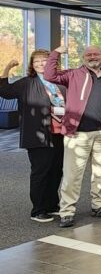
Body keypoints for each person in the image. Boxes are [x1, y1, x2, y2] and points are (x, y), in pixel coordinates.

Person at [45, 45, 101, 228]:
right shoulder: (73, 75)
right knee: (72, 176)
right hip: (77, 135)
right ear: (83, 58)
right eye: (88, 54)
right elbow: (49, 75)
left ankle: (99, 205)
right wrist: (56, 53)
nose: (92, 57)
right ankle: (67, 211)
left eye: (96, 54)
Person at [0, 52, 65, 222]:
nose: (41, 64)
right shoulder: (27, 83)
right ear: (32, 64)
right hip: (37, 135)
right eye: (37, 61)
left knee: (56, 170)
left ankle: (52, 205)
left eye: (45, 60)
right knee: (41, 171)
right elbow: (4, 91)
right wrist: (8, 67)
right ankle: (38, 209)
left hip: (59, 133)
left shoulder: (59, 81)